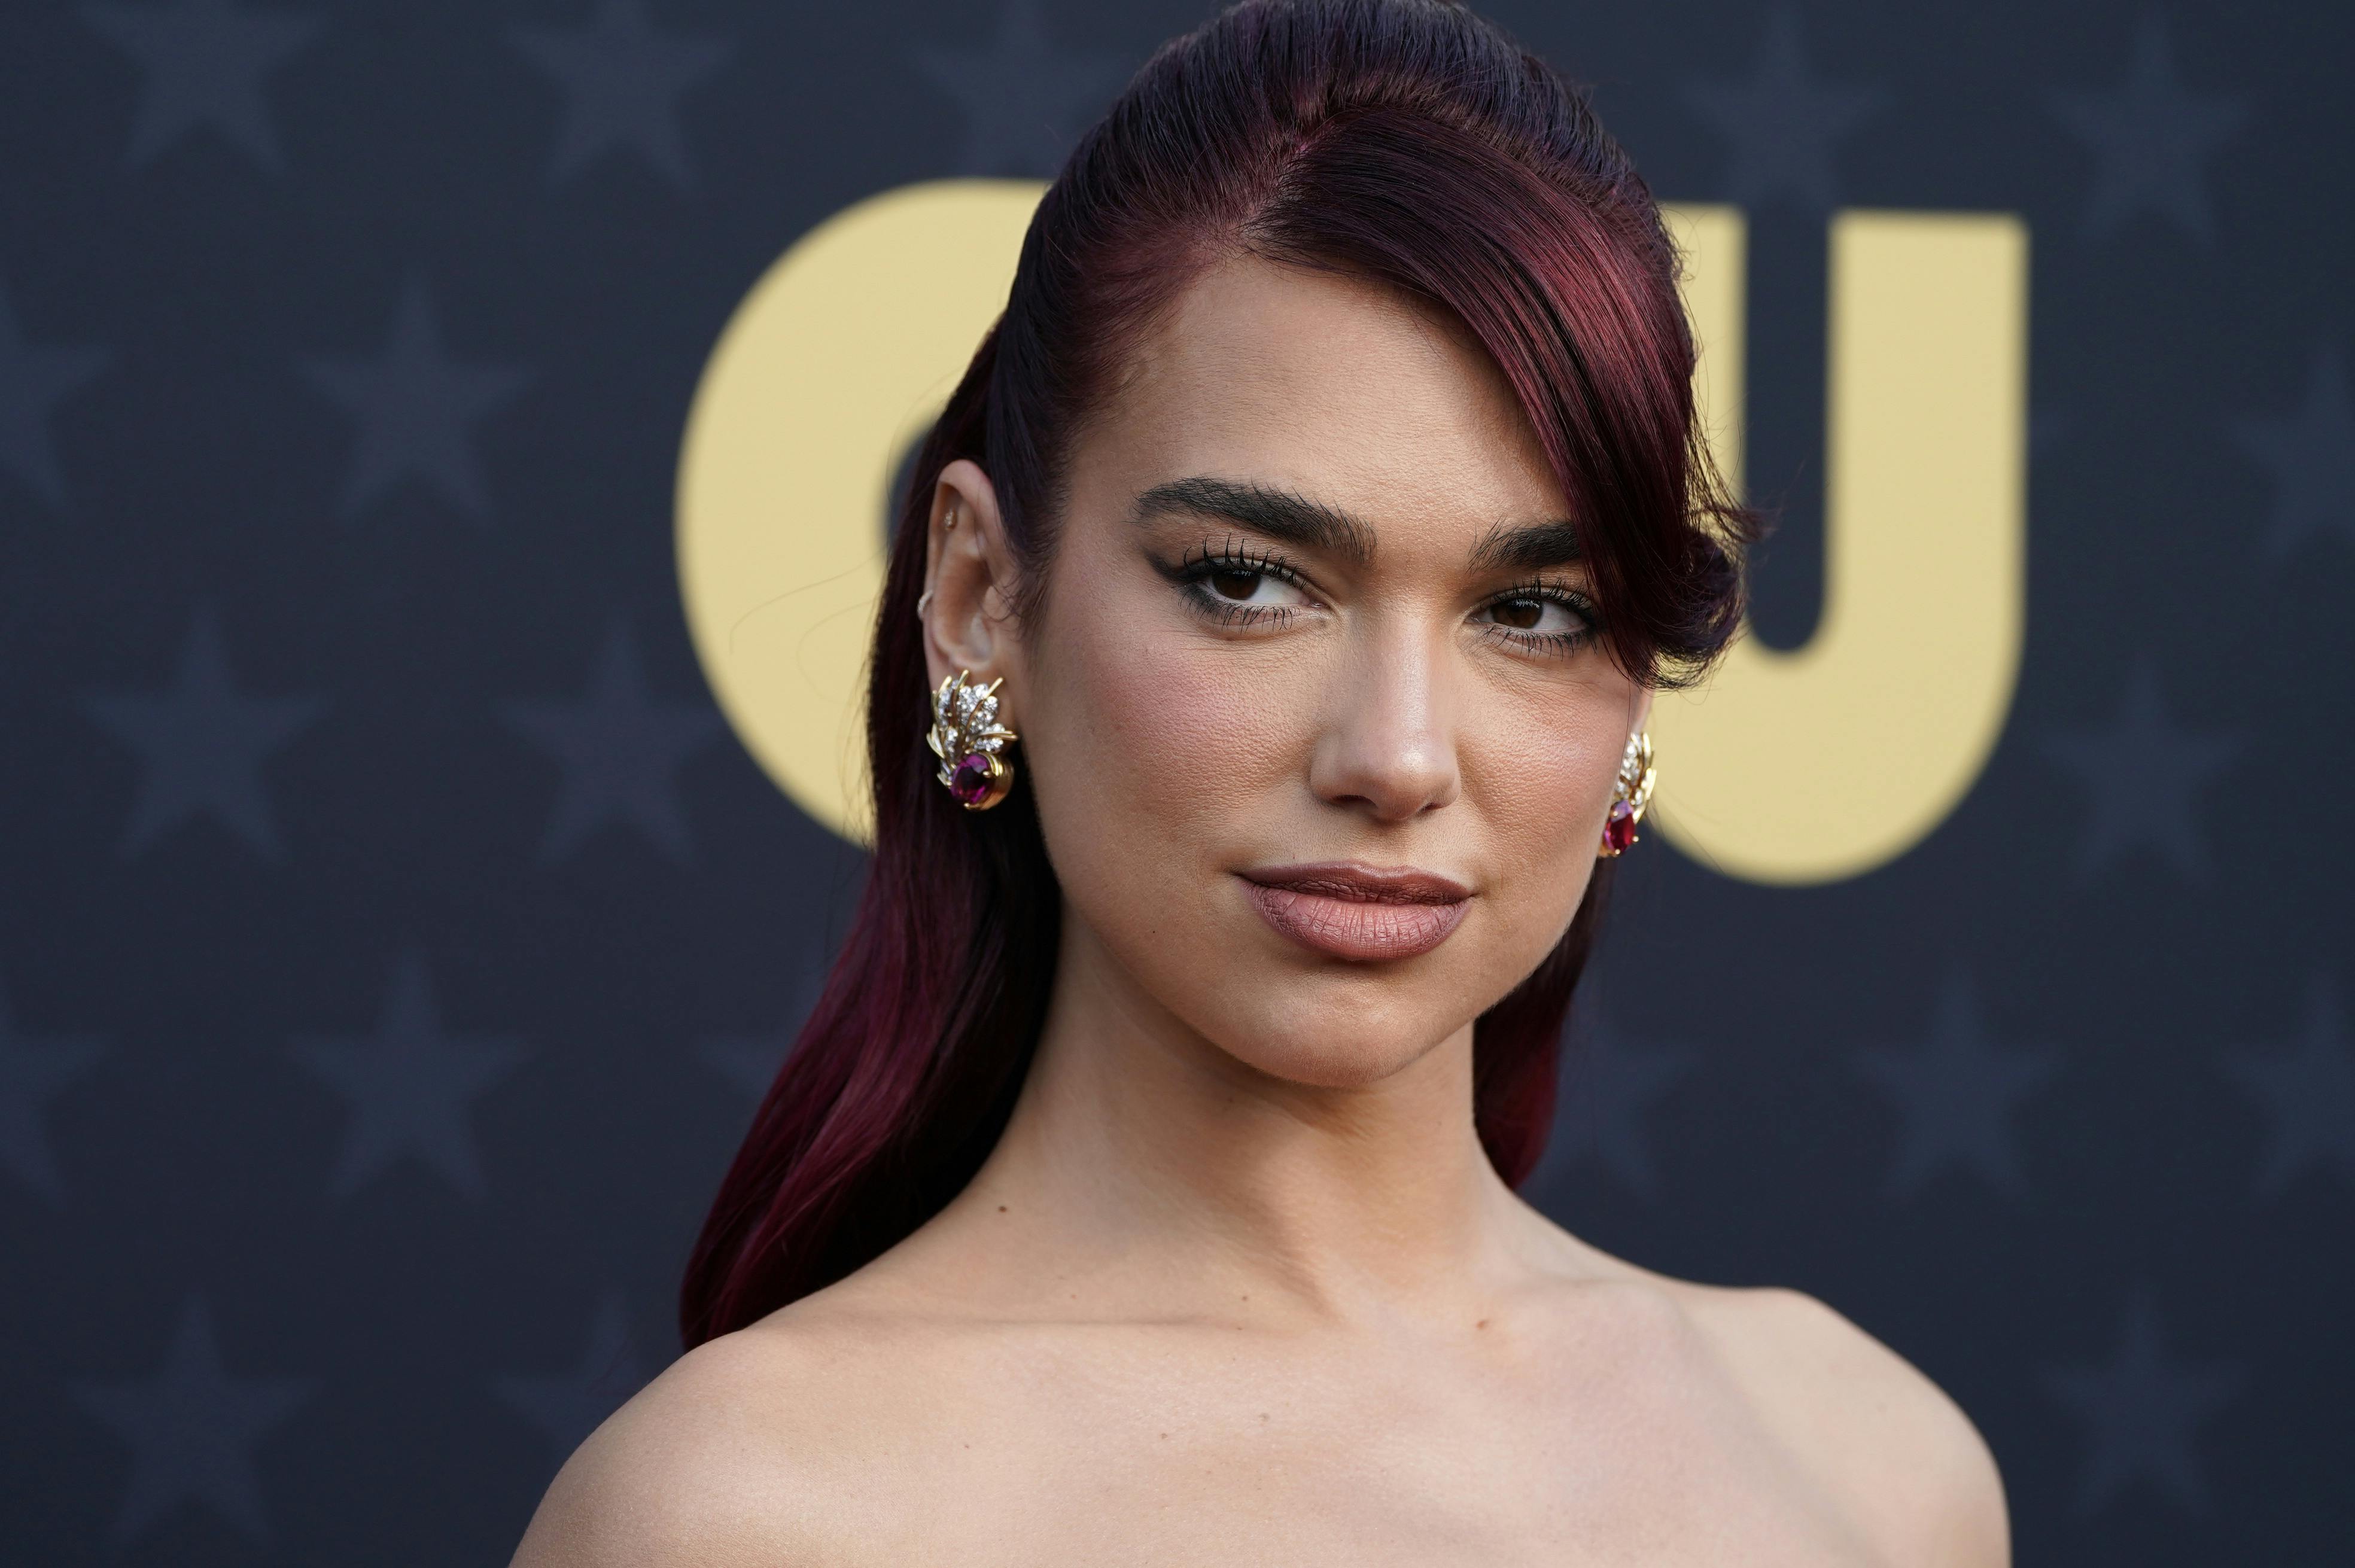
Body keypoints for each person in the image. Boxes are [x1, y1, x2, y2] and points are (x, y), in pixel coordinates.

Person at [513, 0, 2009, 1560]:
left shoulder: (1869, 1468)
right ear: (977, 598)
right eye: (1247, 581)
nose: (1398, 757)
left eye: (1535, 612)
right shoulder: (748, 1515)